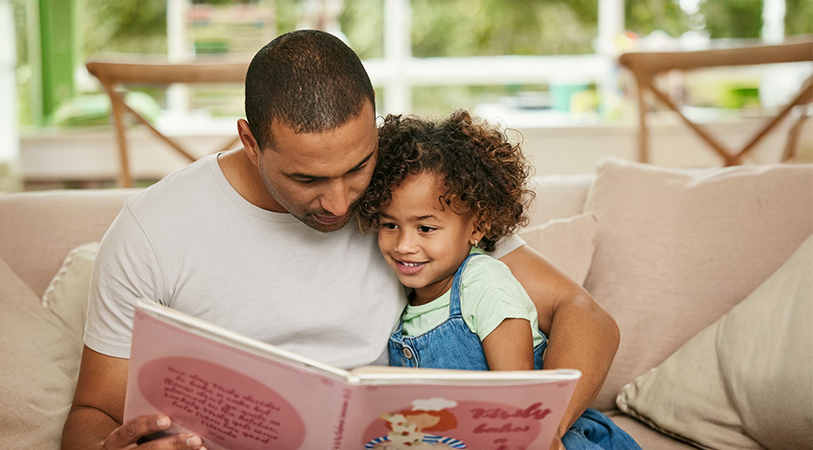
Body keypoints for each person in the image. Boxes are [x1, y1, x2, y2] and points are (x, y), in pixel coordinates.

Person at [62, 30, 620, 450]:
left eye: (357, 166)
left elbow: (583, 314)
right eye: (306, 179)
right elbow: (94, 410)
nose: (341, 203)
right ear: (251, 142)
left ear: (375, 126)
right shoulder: (153, 231)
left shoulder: (409, 192)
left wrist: (539, 433)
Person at [356, 110, 639, 449]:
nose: (404, 245)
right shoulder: (406, 297)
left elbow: (520, 403)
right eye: (390, 225)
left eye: (426, 228)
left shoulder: (484, 283)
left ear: (477, 227)